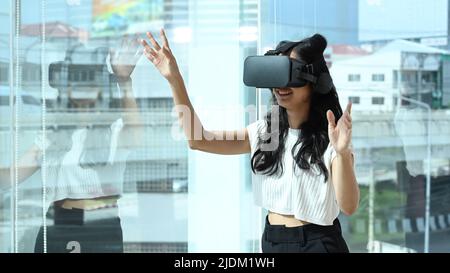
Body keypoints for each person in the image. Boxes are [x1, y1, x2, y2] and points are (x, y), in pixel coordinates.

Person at [141, 30, 359, 253]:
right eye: (275, 75)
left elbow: (349, 206)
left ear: (316, 82)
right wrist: (174, 78)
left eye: (290, 75)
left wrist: (341, 153)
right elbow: (198, 140)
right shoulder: (266, 133)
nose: (281, 86)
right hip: (273, 241)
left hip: (319, 243)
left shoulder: (332, 139)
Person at [0, 37, 143, 253]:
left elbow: (135, 135)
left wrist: (124, 81)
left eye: (89, 80)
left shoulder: (112, 131)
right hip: (58, 223)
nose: (82, 88)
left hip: (99, 226)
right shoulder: (55, 133)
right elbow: (12, 175)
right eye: (75, 80)